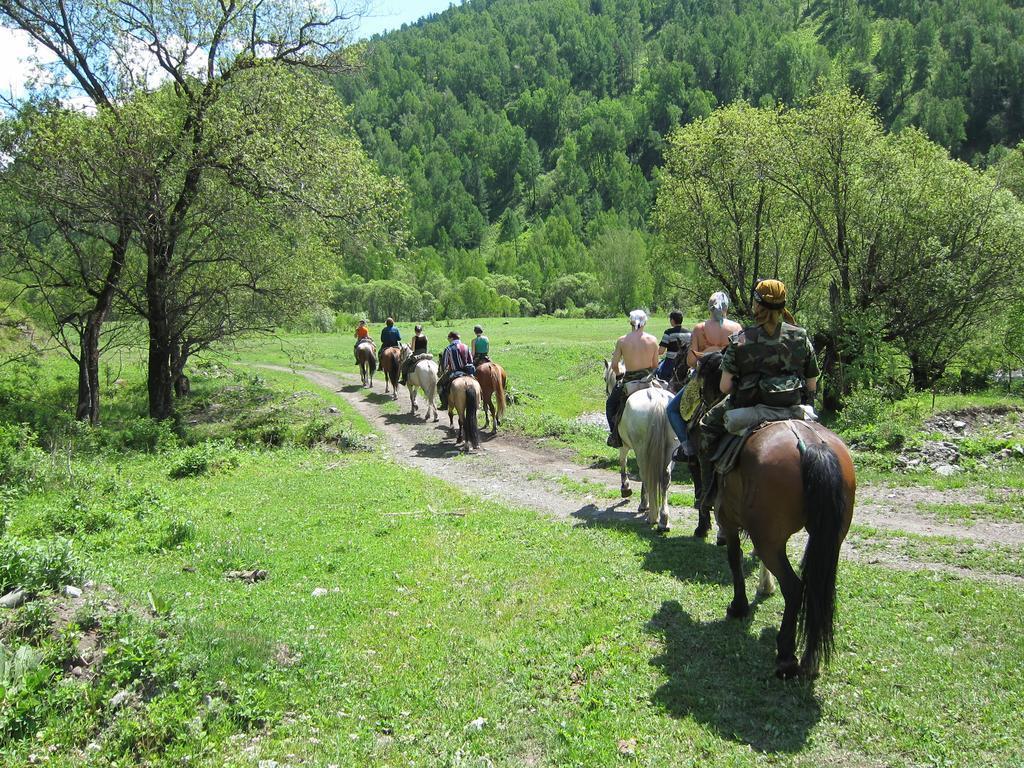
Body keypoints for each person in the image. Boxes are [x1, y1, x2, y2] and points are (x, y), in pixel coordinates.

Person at [697, 279, 819, 511]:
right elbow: (812, 383)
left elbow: (724, 387)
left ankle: (709, 493)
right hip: (793, 408)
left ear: (757, 305)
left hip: (751, 407)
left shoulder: (741, 339)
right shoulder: (800, 336)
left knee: (705, 428)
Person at [668, 293, 741, 462]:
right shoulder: (737, 328)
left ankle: (687, 448)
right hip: (729, 381)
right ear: (726, 308)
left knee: (671, 410)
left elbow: (691, 361)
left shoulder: (700, 328)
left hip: (703, 380)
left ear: (709, 308)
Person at [605, 309, 660, 448]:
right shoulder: (653, 340)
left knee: (610, 405)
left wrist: (618, 375)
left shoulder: (623, 340)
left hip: (629, 380)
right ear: (645, 322)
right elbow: (655, 365)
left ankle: (615, 436)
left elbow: (614, 365)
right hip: (648, 380)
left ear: (630, 322)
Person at [438, 331, 474, 408]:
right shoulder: (466, 346)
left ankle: (444, 404)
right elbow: (471, 360)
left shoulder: (448, 349)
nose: (448, 339)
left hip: (454, 372)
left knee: (440, 384)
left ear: (451, 338)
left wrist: (444, 370)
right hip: (467, 372)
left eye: (448, 338)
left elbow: (444, 364)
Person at [656, 310, 690, 382]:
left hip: (670, 364)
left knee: (657, 373)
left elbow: (661, 351)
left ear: (672, 320)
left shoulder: (668, 332)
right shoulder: (689, 333)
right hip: (685, 364)